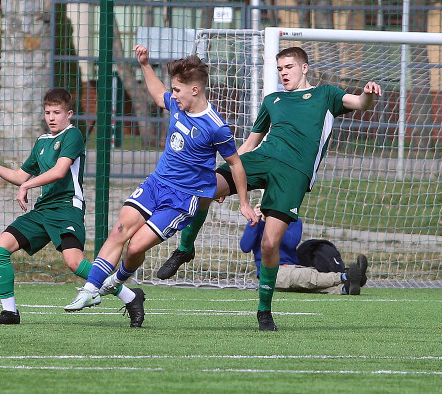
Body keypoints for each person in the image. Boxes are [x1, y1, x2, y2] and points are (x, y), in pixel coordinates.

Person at [158, 46, 382, 331]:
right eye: (279, 69)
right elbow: (250, 144)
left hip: (294, 173)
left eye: (289, 67)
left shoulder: (326, 94)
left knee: (269, 244)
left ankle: (264, 310)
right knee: (206, 186)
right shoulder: (273, 100)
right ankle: (185, 248)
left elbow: (360, 103)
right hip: (263, 158)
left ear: (304, 68)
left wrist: (368, 94)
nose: (283, 73)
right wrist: (228, 174)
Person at [64, 45, 257, 324]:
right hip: (156, 183)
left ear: (195, 90)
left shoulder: (216, 127)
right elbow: (157, 95)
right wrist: (144, 64)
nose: (173, 95)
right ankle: (90, 290)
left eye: (177, 90)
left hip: (183, 199)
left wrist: (244, 203)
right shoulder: (178, 105)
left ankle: (115, 281)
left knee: (135, 247)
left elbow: (236, 164)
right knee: (120, 229)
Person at [0, 88, 144, 327]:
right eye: (48, 113)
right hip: (43, 210)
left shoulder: (72, 135)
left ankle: (130, 296)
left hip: (67, 207)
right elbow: (20, 176)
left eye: (57, 112)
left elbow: (59, 171)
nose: (51, 118)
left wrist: (27, 186)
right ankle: (9, 312)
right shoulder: (42, 142)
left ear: (69, 114)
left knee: (74, 263)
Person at [240, 204, 368, 295]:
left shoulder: (294, 221)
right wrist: (256, 222)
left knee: (307, 283)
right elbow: (245, 247)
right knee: (306, 277)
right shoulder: (257, 223)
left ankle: (345, 288)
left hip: (291, 268)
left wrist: (273, 224)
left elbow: (291, 242)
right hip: (271, 272)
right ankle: (345, 276)